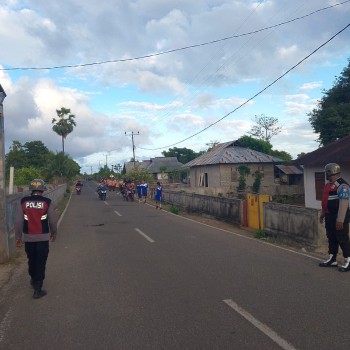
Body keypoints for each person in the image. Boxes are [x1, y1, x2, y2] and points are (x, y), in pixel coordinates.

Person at [15, 179, 58, 298]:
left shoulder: (23, 201)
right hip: (43, 238)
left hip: (28, 238)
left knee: (31, 260)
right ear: (43, 189)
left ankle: (33, 279)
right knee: (41, 262)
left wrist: (18, 237)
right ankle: (37, 289)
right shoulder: (47, 202)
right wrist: (54, 233)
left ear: (31, 189)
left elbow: (19, 221)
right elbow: (53, 220)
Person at [319, 163, 350, 272]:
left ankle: (348, 260)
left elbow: (344, 204)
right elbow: (326, 202)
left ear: (330, 172)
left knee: (342, 239)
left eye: (326, 172)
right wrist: (322, 215)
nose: (326, 175)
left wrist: (340, 220)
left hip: (339, 217)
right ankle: (332, 259)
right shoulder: (328, 185)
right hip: (329, 216)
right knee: (331, 237)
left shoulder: (342, 185)